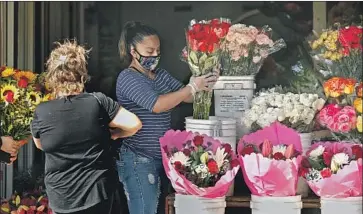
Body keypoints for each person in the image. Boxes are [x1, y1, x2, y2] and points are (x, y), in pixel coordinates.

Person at [115, 21, 219, 214]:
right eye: (149, 50)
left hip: (162, 158)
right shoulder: (128, 78)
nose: (154, 55)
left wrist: (206, 81)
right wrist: (192, 87)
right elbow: (157, 105)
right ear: (132, 50)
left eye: (157, 50)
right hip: (139, 159)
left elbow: (186, 97)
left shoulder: (160, 75)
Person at [30, 40, 142, 214]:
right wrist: (114, 134)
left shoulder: (42, 111)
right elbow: (134, 124)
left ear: (52, 75)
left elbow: (40, 145)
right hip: (97, 193)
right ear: (82, 73)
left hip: (61, 196)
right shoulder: (97, 102)